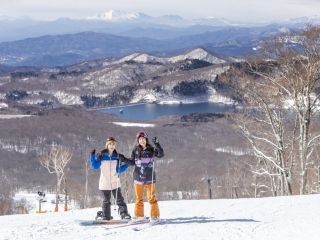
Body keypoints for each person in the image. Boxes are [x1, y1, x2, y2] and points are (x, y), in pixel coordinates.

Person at [124, 131, 164, 222]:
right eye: (140, 139)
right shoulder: (135, 150)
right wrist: (123, 159)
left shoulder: (151, 149)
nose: (142, 140)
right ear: (138, 140)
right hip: (138, 178)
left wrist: (157, 144)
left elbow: (161, 154)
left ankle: (155, 216)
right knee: (139, 198)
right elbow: (132, 162)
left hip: (150, 178)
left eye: (143, 139)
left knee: (151, 197)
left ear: (146, 139)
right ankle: (139, 216)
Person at [89, 137, 131, 220]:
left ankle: (124, 214)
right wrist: (92, 156)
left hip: (115, 182)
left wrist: (127, 164)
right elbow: (95, 166)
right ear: (107, 145)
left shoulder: (117, 157)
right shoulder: (101, 156)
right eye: (110, 144)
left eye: (113, 144)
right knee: (106, 201)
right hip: (104, 182)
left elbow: (119, 169)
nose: (112, 146)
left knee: (119, 200)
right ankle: (105, 216)